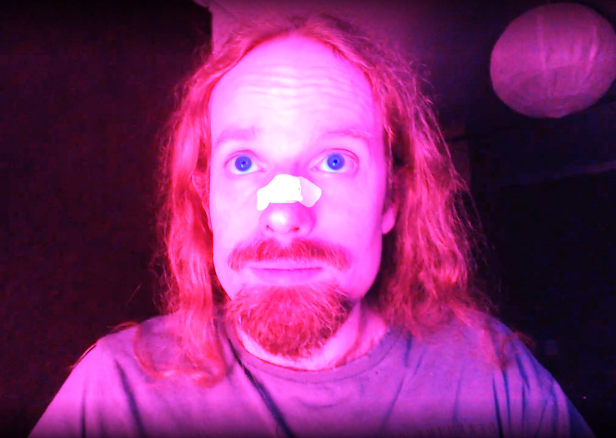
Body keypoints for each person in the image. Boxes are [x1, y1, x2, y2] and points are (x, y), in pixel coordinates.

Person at [30, 13, 595, 438]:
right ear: (205, 202)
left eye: (335, 161)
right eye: (244, 163)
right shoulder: (115, 391)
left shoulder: (492, 377)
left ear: (391, 201)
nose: (284, 216)